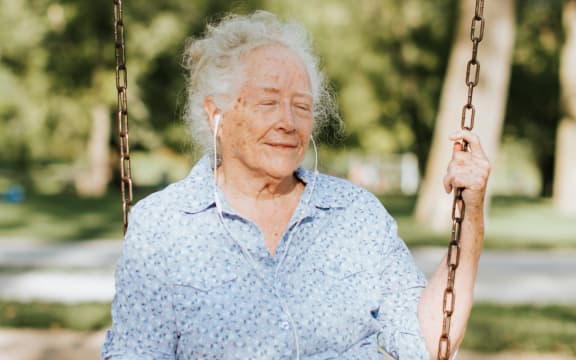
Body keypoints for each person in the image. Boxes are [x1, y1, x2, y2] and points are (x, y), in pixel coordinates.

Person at [101, 11, 490, 360]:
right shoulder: (163, 226)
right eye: (268, 103)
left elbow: (427, 341)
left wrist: (469, 215)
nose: (288, 121)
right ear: (215, 113)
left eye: (301, 106)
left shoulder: (356, 214)